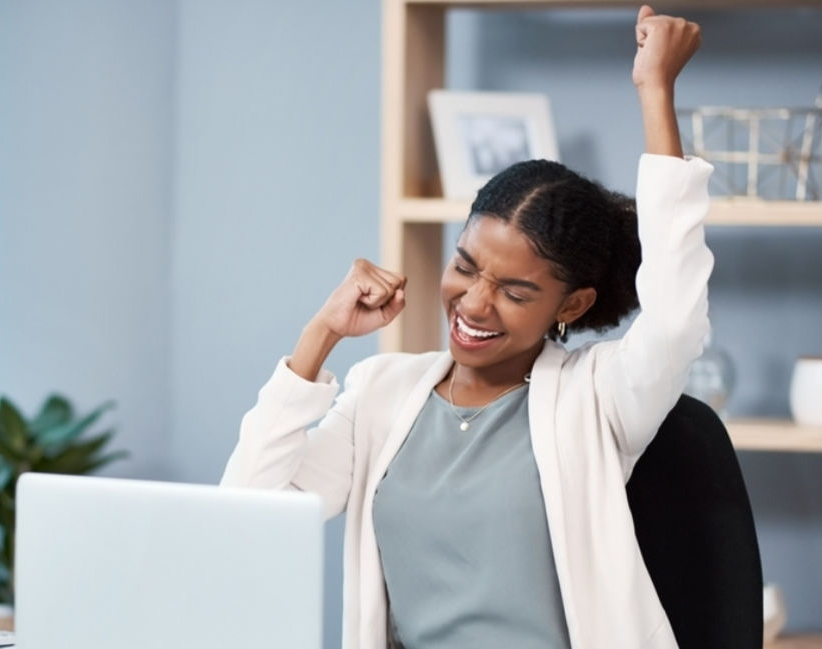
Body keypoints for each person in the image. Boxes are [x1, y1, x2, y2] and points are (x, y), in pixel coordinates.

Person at [222, 6, 709, 649]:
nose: (475, 304)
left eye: (515, 291)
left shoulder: (597, 398)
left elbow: (675, 313)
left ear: (571, 304)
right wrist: (320, 335)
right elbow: (248, 510)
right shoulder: (382, 394)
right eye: (465, 267)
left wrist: (655, 90)